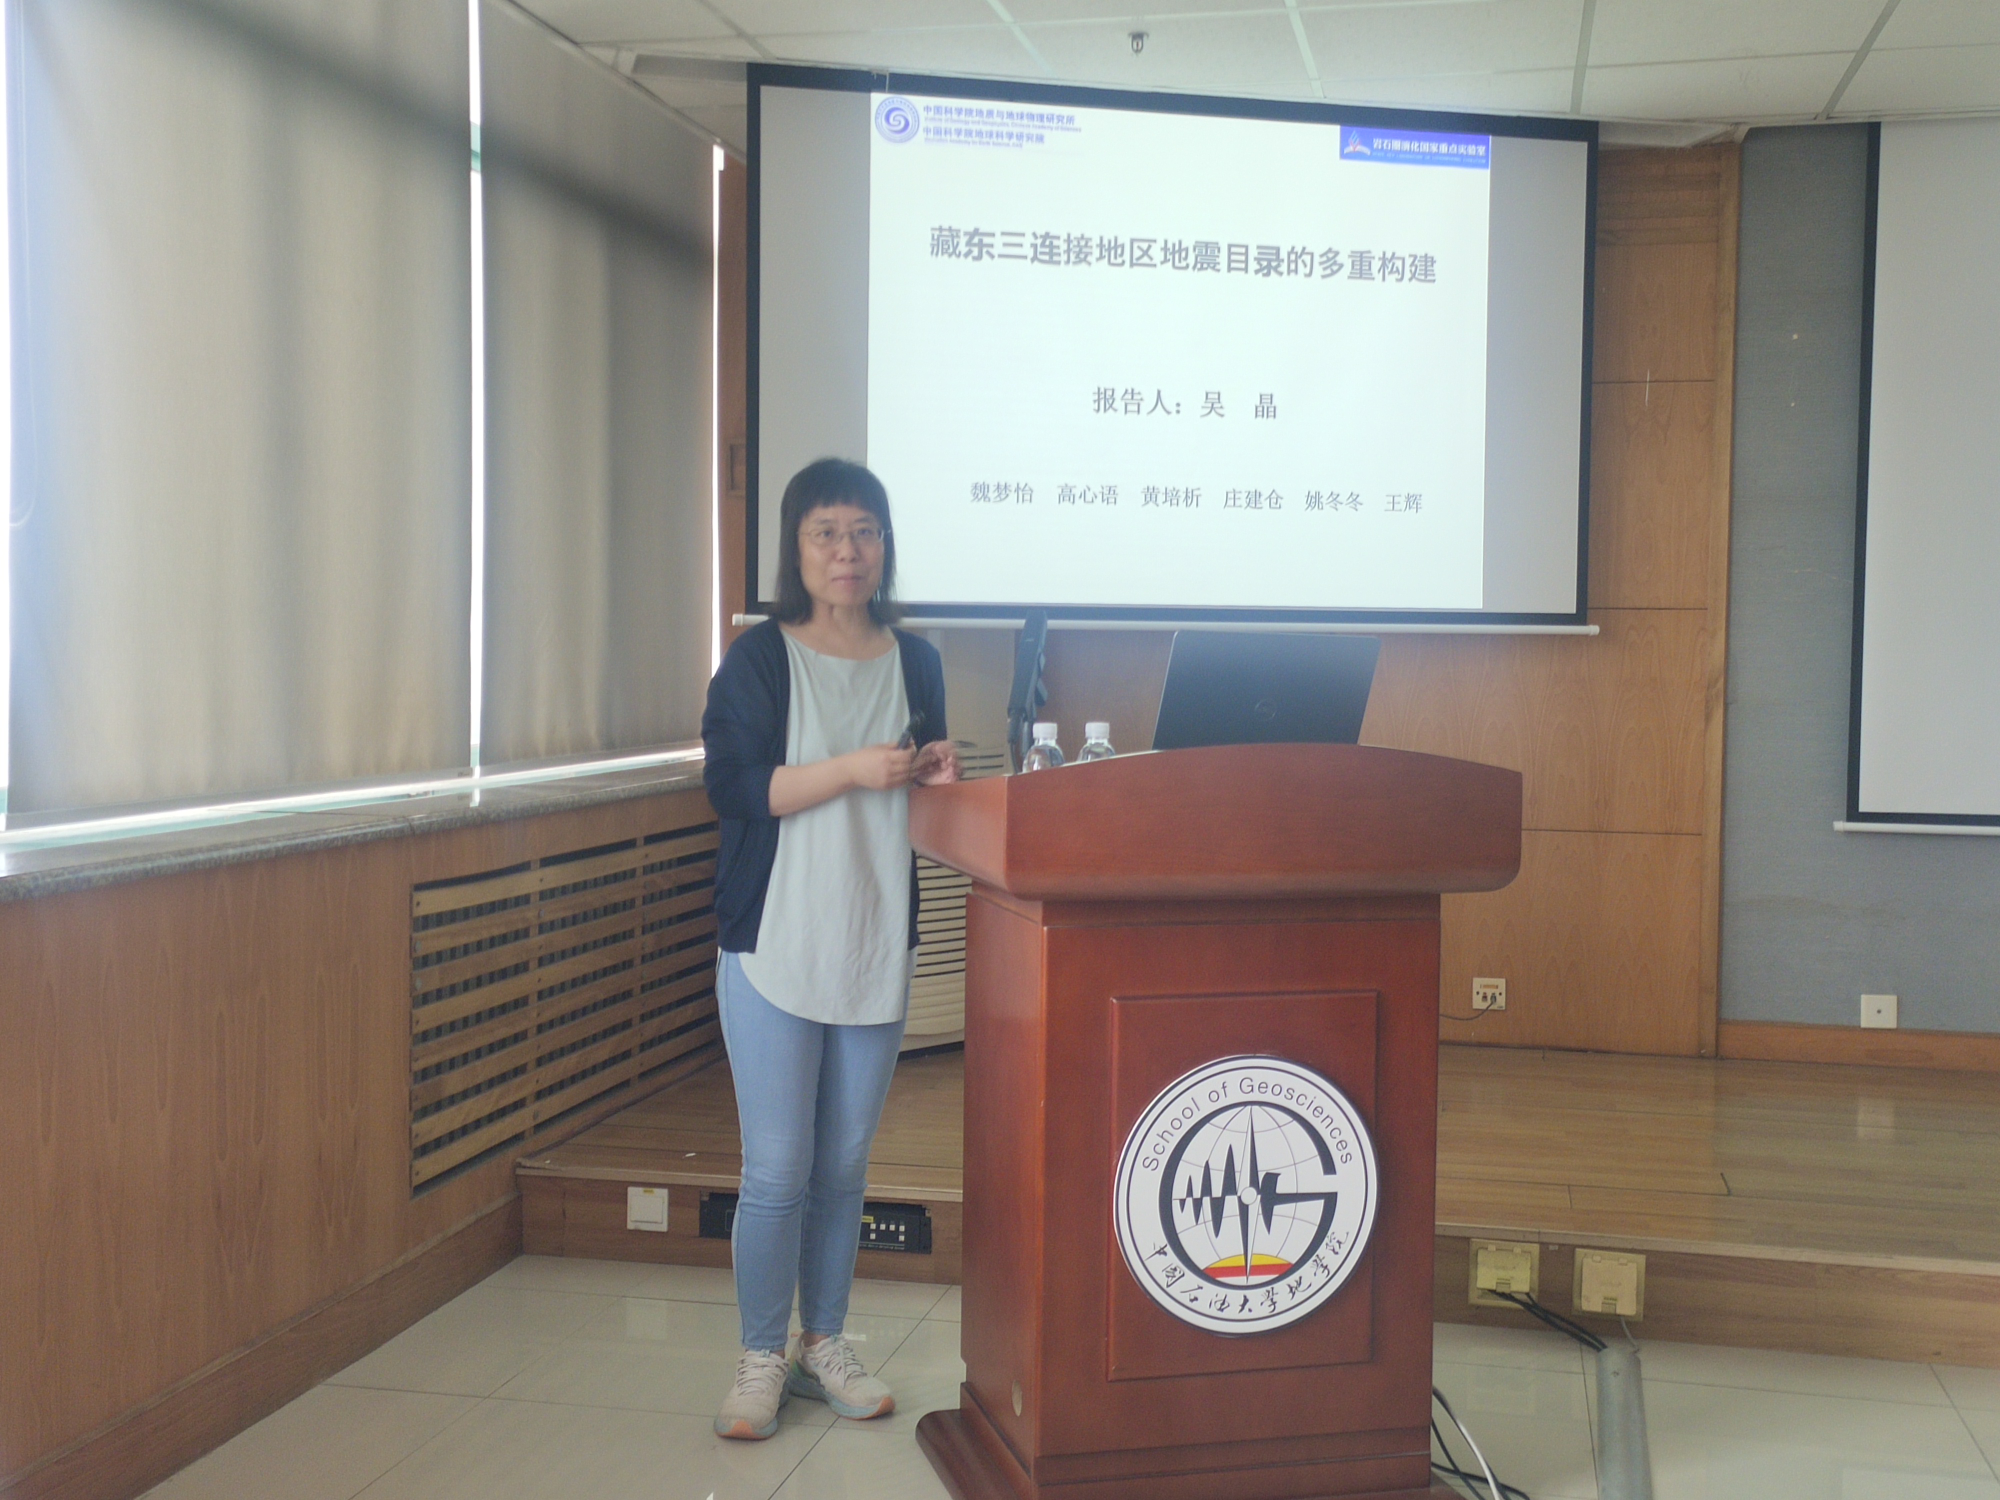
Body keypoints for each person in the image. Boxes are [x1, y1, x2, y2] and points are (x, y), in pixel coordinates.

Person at [700, 457, 960, 1441]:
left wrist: (935, 777)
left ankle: (825, 1343)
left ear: (884, 544)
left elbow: (918, 800)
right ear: (796, 548)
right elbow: (734, 788)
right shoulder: (760, 659)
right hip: (773, 938)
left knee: (844, 1168)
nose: (847, 550)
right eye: (826, 532)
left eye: (863, 531)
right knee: (777, 1168)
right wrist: (851, 768)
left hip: (870, 935)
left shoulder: (916, 661)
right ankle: (760, 1355)